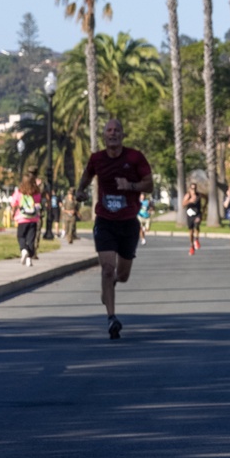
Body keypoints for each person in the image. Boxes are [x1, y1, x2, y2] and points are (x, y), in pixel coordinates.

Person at [76, 119, 153, 340]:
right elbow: (86, 176)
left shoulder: (134, 157)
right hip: (105, 221)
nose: (113, 134)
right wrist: (80, 191)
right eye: (109, 130)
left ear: (122, 135)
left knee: (122, 275)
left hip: (129, 222)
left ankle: (108, 287)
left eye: (117, 130)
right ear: (104, 136)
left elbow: (149, 184)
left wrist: (130, 186)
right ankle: (111, 318)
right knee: (107, 269)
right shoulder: (97, 159)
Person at [9, 174, 42, 267]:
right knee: (31, 239)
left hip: (22, 218)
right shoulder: (36, 193)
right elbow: (38, 202)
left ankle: (23, 250)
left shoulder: (19, 192)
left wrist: (12, 214)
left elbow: (14, 204)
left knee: (21, 236)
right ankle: (29, 259)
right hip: (33, 219)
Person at [182, 182, 202, 255]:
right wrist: (190, 201)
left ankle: (196, 240)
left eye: (195, 188)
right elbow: (183, 204)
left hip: (197, 213)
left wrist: (204, 208)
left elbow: (205, 198)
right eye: (192, 188)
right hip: (190, 214)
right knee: (191, 231)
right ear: (190, 188)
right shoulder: (188, 195)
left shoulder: (198, 195)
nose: (194, 190)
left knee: (197, 225)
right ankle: (191, 245)